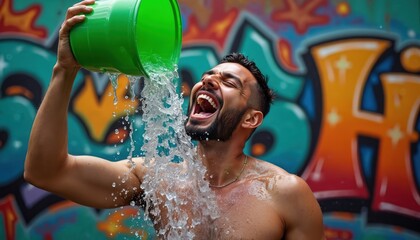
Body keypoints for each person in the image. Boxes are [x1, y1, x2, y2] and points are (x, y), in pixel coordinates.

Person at [24, 0, 324, 239]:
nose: (207, 82)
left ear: (251, 119)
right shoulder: (157, 180)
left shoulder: (284, 193)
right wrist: (64, 70)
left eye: (229, 83)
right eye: (207, 77)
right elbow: (46, 171)